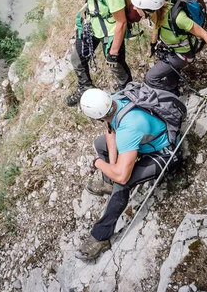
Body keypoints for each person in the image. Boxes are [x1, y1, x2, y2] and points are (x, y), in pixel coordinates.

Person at [75, 87, 182, 261]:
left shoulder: (128, 128)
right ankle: (108, 181)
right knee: (100, 144)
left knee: (122, 183)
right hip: (146, 140)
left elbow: (123, 176)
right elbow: (110, 132)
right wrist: (112, 166)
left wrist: (98, 163)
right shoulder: (115, 100)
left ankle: (100, 237)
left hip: (165, 153)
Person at [58, 0, 132, 106]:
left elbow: (121, 21)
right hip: (93, 23)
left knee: (116, 65)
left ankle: (129, 93)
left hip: (112, 30)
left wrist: (113, 51)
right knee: (77, 59)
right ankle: (85, 88)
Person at [131, 0, 207, 95]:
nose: (134, 8)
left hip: (182, 54)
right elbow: (157, 25)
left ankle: (167, 99)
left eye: (137, 6)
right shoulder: (157, 12)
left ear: (148, 9)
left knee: (151, 78)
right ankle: (172, 89)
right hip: (171, 49)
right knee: (167, 68)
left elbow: (204, 34)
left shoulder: (179, 18)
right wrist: (153, 45)